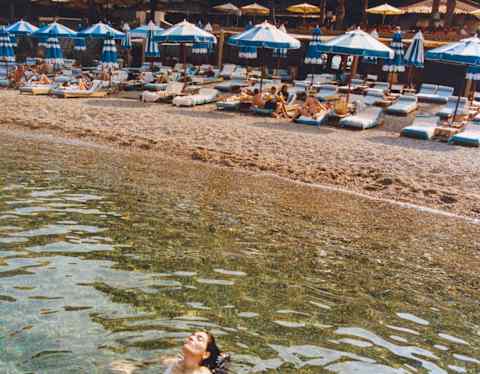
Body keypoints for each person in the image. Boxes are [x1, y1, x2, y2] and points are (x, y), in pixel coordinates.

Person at [110, 331, 229, 374]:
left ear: (205, 354)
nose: (191, 337)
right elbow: (158, 359)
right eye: (192, 335)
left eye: (199, 338)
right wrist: (133, 366)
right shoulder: (175, 362)